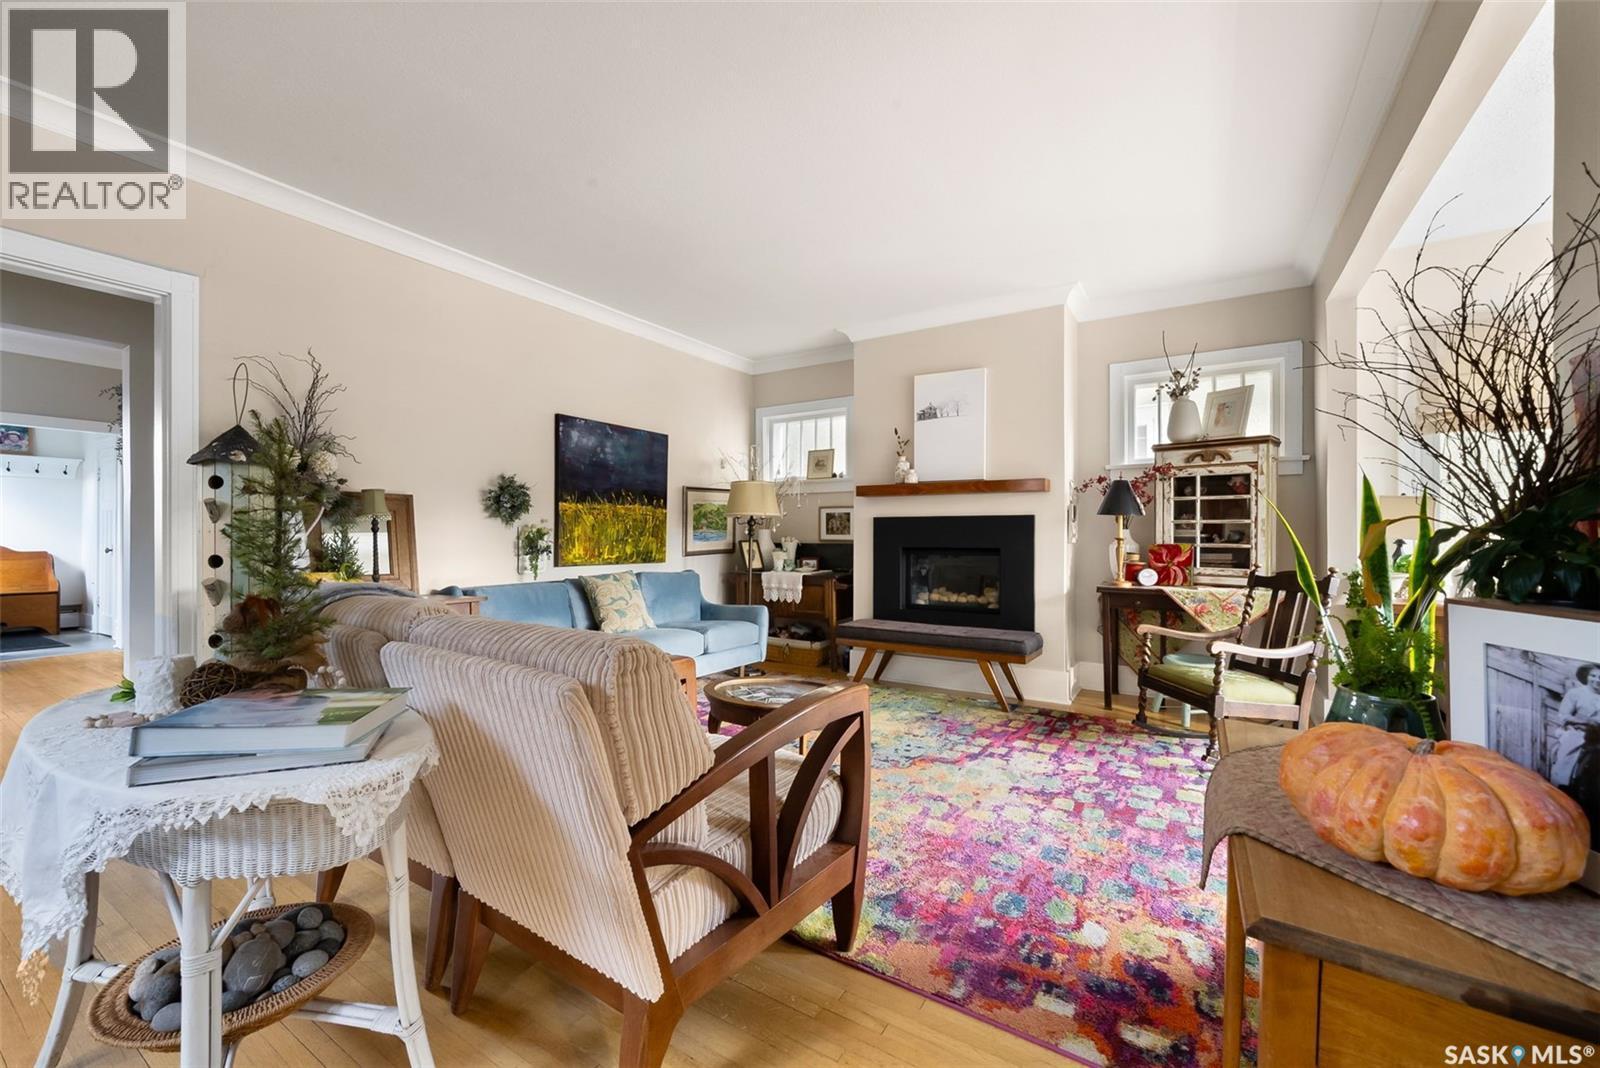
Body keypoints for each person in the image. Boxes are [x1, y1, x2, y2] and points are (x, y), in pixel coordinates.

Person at [1553, 663, 1600, 850]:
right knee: (1568, 755)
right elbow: (1563, 716)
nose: (1597, 681)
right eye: (1594, 676)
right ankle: (1561, 785)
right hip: (1578, 732)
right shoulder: (1576, 694)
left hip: (1599, 736)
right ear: (1588, 677)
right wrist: (1586, 721)